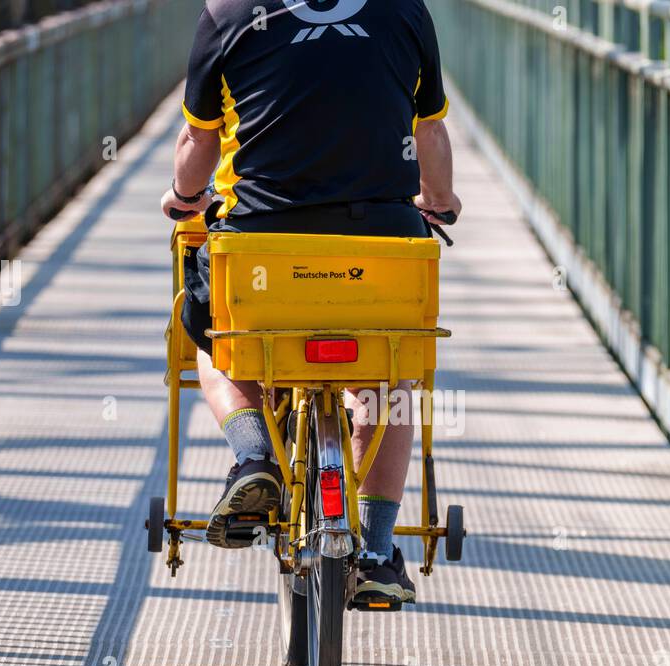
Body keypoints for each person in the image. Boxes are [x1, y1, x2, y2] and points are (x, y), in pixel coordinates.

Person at [159, 0, 462, 606]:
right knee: (392, 371)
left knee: (217, 337)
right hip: (381, 244)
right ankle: (376, 550)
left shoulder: (227, 11)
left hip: (263, 246)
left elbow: (200, 137)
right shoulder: (404, 9)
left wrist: (183, 195)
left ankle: (253, 460)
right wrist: (442, 198)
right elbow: (427, 128)